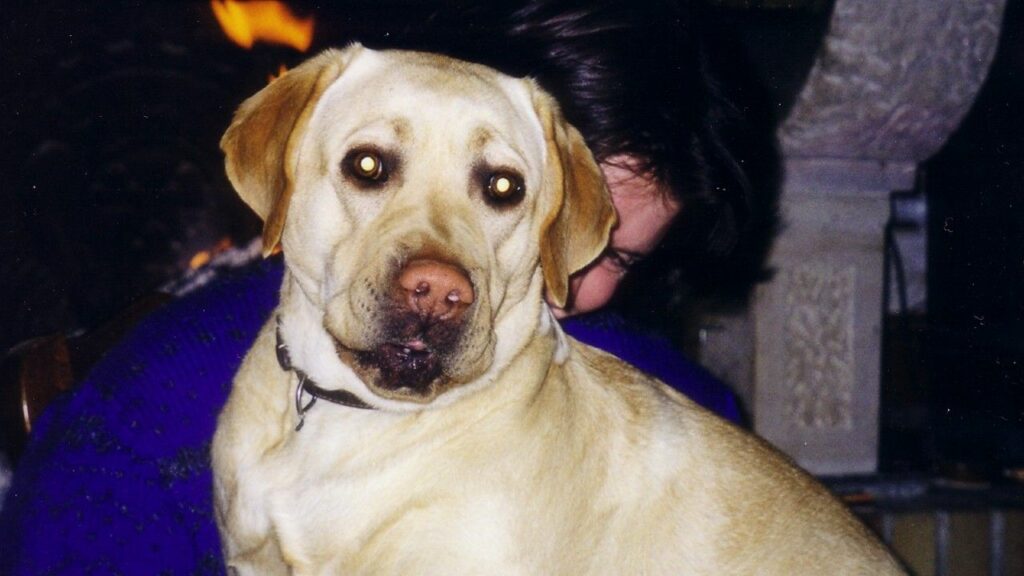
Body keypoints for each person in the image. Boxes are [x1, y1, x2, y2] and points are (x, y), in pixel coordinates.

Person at [0, 1, 774, 573]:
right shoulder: (158, 405)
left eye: (617, 259)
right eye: (375, 170)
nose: (563, 290)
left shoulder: (686, 406)